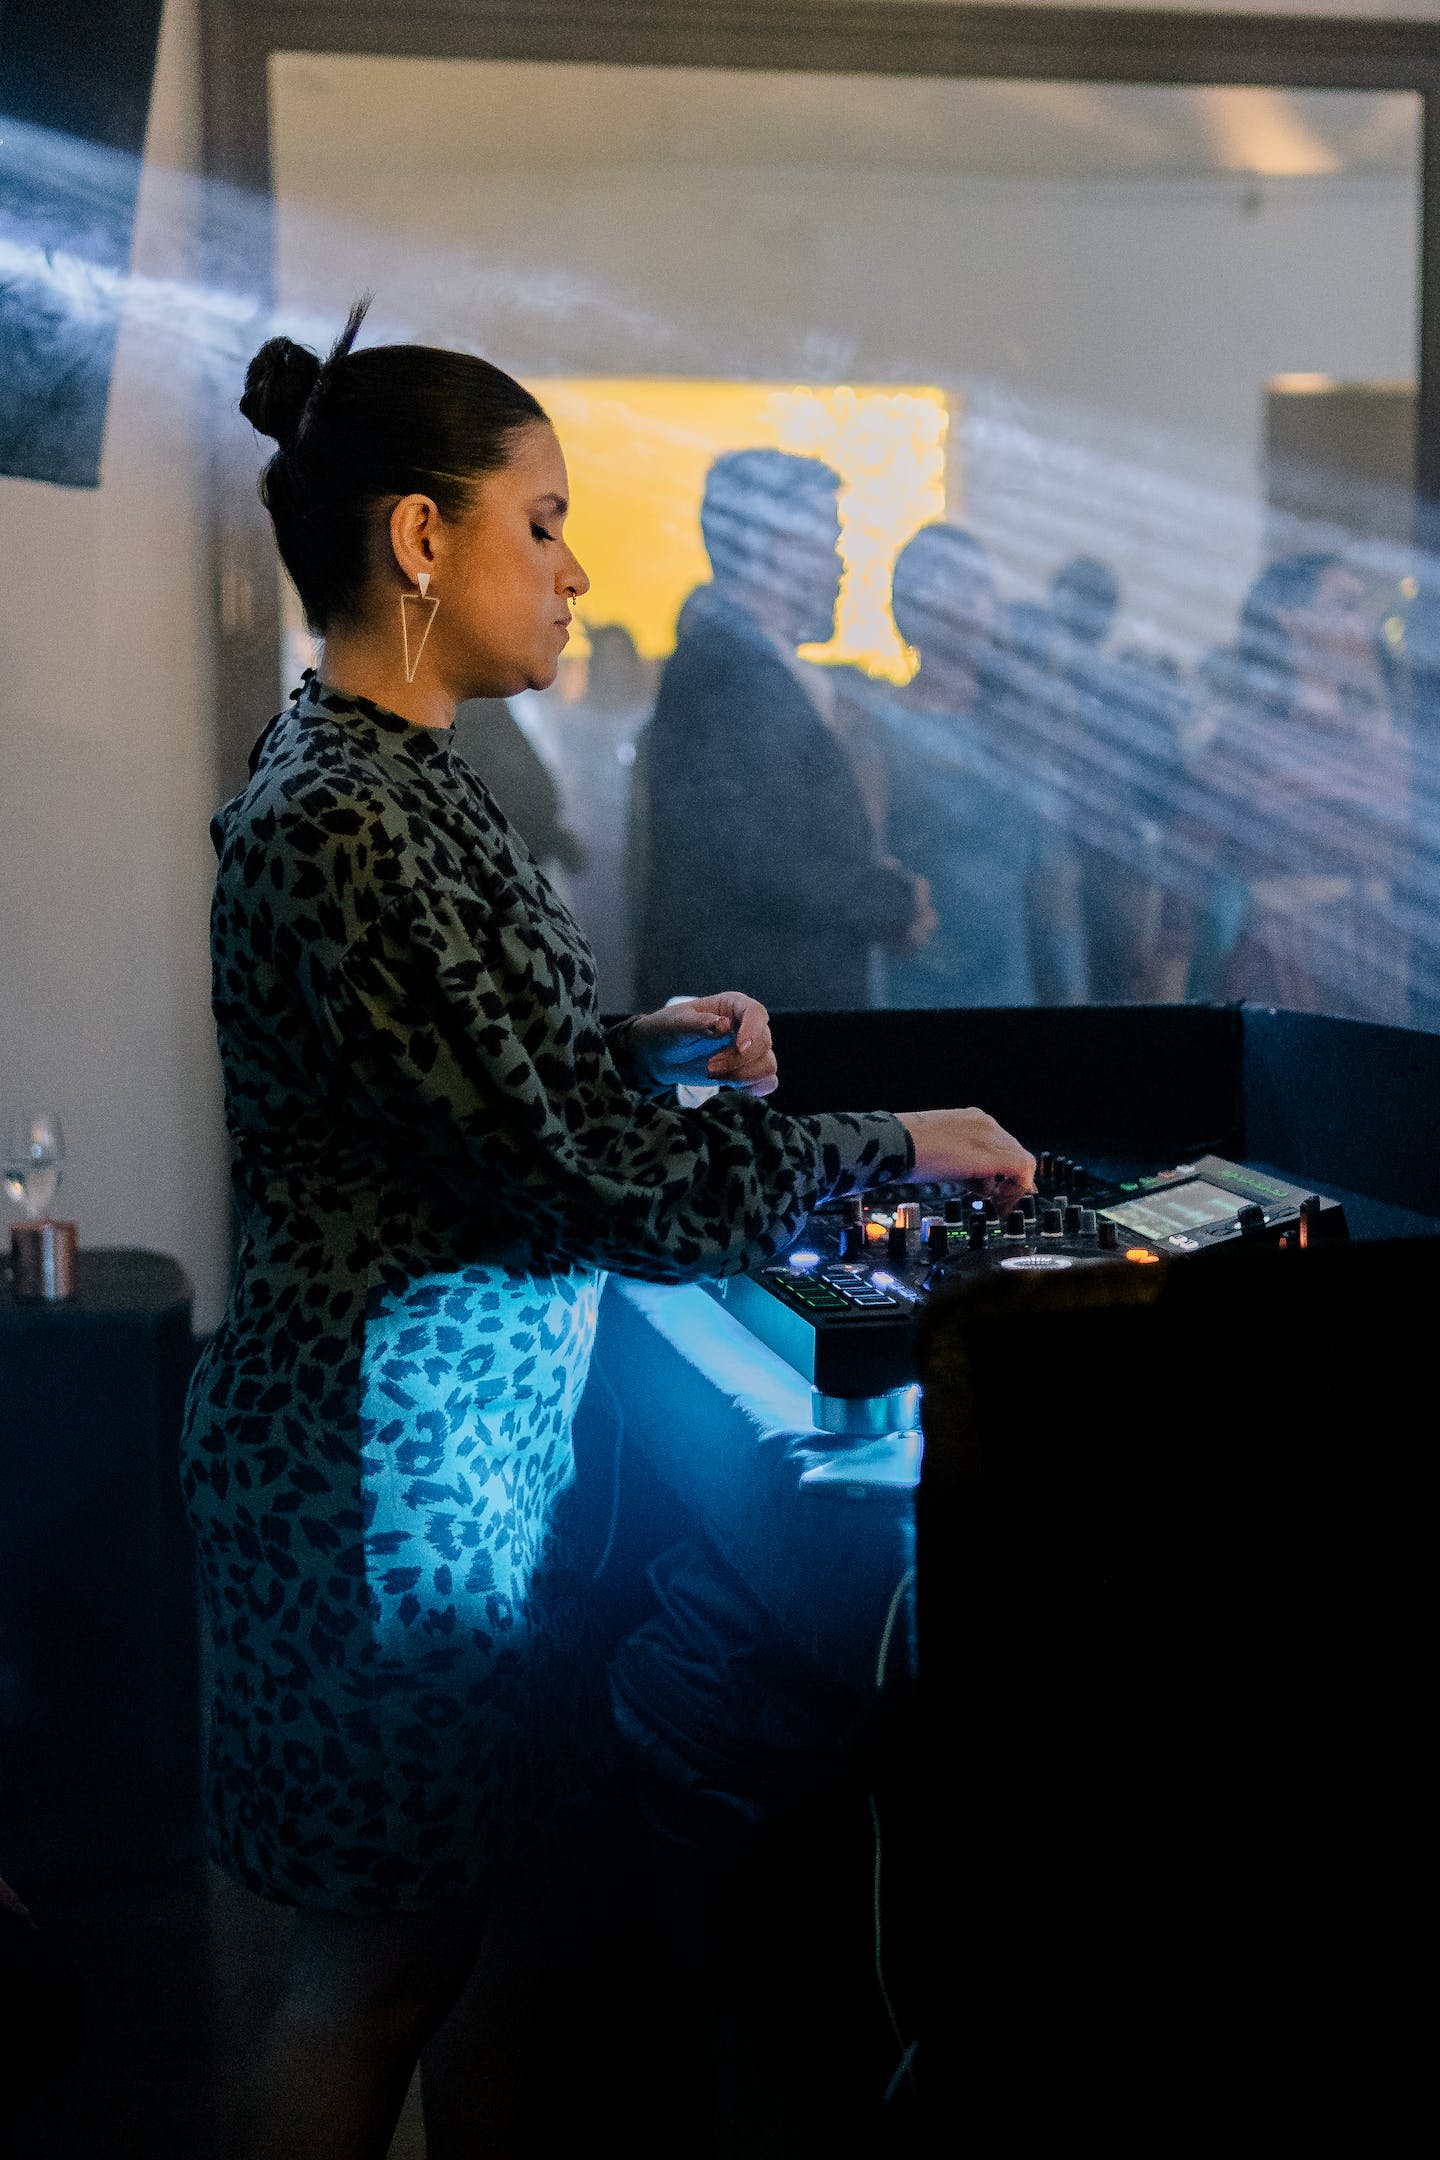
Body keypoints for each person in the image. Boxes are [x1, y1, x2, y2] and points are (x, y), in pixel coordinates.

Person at [183, 300, 1034, 2160]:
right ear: (424, 539)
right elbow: (608, 1189)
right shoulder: (347, 818)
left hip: (447, 1485)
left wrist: (634, 1048)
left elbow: (486, 1088)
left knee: (466, 1962)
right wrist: (901, 1135)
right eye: (545, 519)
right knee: (370, 1988)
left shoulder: (407, 781)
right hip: (375, 1496)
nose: (578, 572)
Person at [634, 449, 935, 1011]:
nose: (842, 564)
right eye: (828, 540)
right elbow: (760, 860)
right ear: (770, 545)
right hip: (758, 1021)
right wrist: (887, 899)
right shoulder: (731, 670)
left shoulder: (735, 661)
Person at [1164, 553, 1410, 1022]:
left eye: (1363, 608)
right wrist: (1168, 1007)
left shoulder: (1384, 743)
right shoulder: (1247, 740)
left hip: (1377, 971)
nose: (1364, 625)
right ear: (1290, 620)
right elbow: (1187, 865)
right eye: (1344, 606)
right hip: (1282, 977)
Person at [860, 523, 1078, 1008]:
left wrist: (1073, 996)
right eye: (952, 583)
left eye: (983, 586)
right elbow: (867, 857)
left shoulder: (1022, 727)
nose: (974, 604)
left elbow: (1053, 878)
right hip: (912, 984)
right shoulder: (876, 723)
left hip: (1009, 983)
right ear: (910, 603)